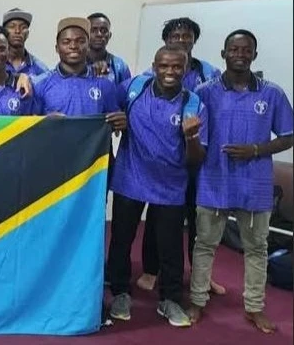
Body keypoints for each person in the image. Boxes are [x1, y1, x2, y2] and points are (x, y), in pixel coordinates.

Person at [188, 30, 293, 333]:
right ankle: (197, 300)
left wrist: (257, 150)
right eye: (234, 49)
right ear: (223, 54)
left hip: (255, 184)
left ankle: (254, 307)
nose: (240, 54)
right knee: (204, 244)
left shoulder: (271, 93)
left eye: (246, 50)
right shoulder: (205, 92)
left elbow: (288, 135)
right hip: (213, 180)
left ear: (254, 55)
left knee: (257, 248)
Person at [107, 44, 206, 328]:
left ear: (185, 69)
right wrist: (117, 118)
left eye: (177, 67)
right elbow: (107, 105)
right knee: (121, 240)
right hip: (131, 179)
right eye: (164, 66)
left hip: (171, 186)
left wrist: (191, 137)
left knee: (170, 246)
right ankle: (120, 293)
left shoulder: (194, 105)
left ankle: (171, 299)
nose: (170, 72)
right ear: (154, 66)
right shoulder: (133, 88)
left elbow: (196, 160)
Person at [138, 17, 225, 295]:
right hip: (164, 165)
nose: (181, 40)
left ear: (194, 41)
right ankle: (152, 270)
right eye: (175, 36)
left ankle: (201, 276)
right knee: (158, 218)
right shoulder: (148, 77)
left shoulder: (210, 73)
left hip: (200, 158)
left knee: (199, 222)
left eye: (187, 36)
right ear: (166, 42)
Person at [31, 17, 124, 123]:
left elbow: (115, 121)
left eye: (80, 41)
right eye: (66, 42)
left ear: (88, 46)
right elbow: (29, 124)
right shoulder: (40, 84)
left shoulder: (104, 83)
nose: (73, 46)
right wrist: (44, 121)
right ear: (57, 48)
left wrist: (121, 121)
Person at [0, 8, 49, 76]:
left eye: (23, 27)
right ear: (3, 32)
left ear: (27, 34)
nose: (17, 31)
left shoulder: (40, 69)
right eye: (12, 26)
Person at [87, 12, 132, 84]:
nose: (99, 34)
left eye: (103, 31)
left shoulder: (120, 66)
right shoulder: (77, 63)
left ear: (110, 35)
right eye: (93, 30)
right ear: (85, 34)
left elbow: (125, 93)